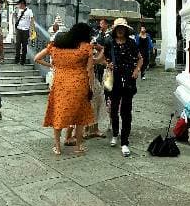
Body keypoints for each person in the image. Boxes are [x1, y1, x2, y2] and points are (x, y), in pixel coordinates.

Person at [35, 22, 96, 155]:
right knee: (80, 116)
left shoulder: (55, 47)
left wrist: (52, 66)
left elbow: (37, 58)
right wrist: (91, 87)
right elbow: (89, 69)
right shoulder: (86, 48)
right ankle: (78, 147)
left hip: (60, 83)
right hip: (80, 83)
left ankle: (57, 147)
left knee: (59, 113)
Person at [105, 18, 142, 157]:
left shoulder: (132, 43)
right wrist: (107, 64)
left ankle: (125, 142)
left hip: (128, 79)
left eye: (122, 28)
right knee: (113, 110)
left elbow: (140, 58)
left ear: (126, 30)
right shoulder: (110, 43)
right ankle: (115, 133)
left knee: (126, 111)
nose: (120, 30)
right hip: (114, 80)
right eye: (118, 28)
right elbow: (104, 58)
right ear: (114, 30)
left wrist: (136, 70)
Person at [13, 0, 33, 65]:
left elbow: (32, 21)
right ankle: (17, 59)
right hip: (19, 29)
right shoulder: (18, 10)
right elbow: (15, 19)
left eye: (20, 4)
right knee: (18, 45)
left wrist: (31, 30)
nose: (19, 5)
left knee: (24, 46)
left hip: (26, 30)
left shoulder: (29, 11)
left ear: (22, 4)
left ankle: (23, 60)